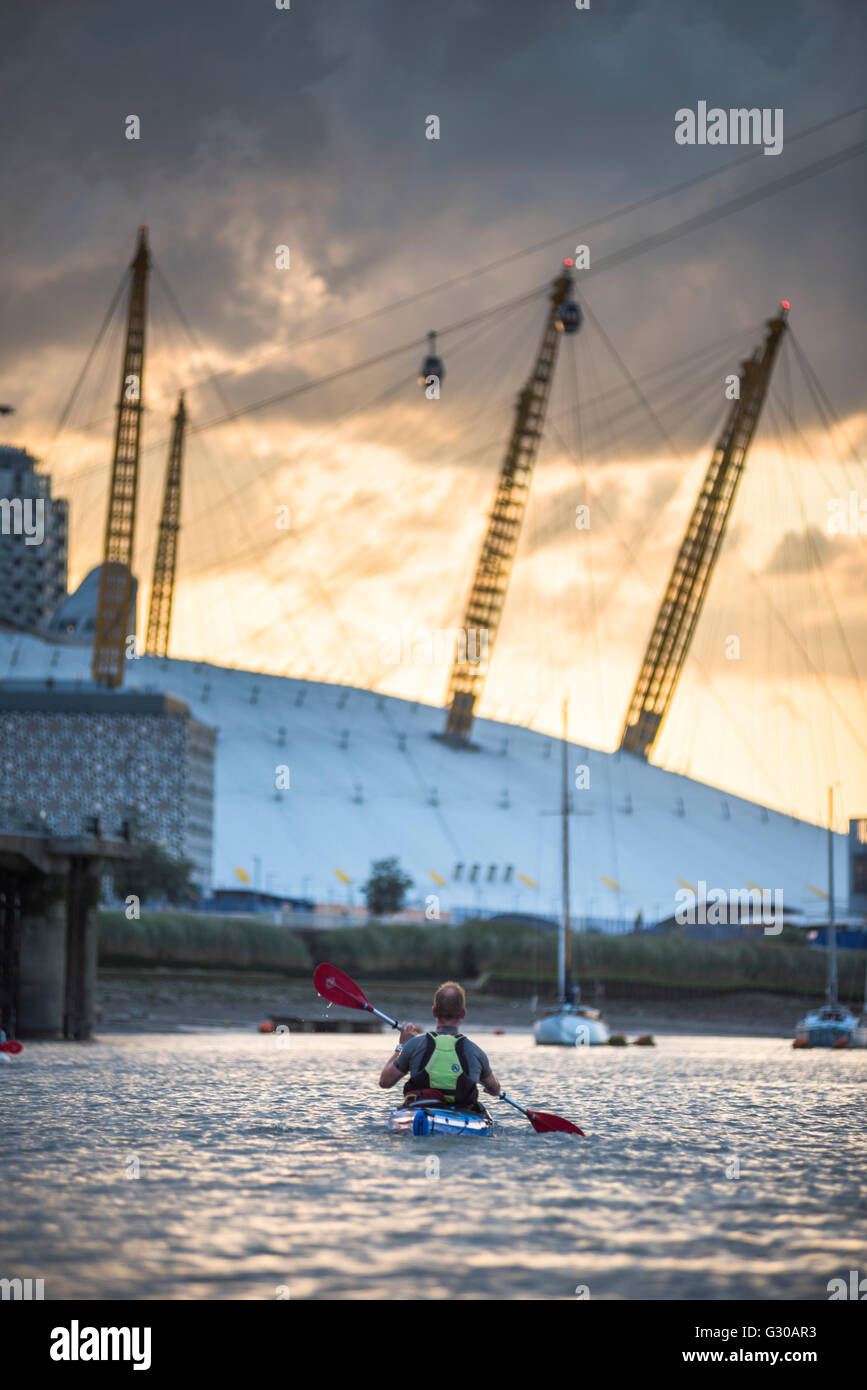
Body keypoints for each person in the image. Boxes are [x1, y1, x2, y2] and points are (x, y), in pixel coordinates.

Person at [378, 980, 500, 1116]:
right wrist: (489, 1085)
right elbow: (495, 1089)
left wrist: (402, 1046)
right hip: (462, 1117)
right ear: (463, 1013)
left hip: (421, 1113)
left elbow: (385, 1082)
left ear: (434, 1011)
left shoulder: (415, 1044)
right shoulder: (476, 1052)